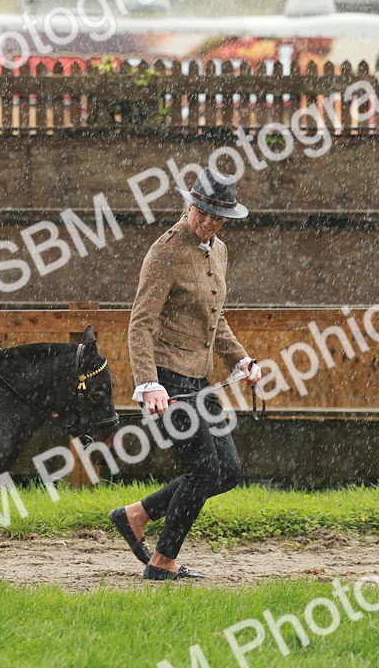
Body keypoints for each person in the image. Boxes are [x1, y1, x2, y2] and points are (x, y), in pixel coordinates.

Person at [110, 167, 262, 580]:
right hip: (168, 382)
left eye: (218, 216)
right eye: (203, 212)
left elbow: (216, 319)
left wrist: (241, 360)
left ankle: (137, 515)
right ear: (189, 204)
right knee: (202, 471)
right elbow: (140, 322)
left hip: (200, 380)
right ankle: (162, 562)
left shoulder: (220, 251)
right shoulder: (166, 251)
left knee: (227, 471)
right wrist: (148, 383)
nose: (208, 222)